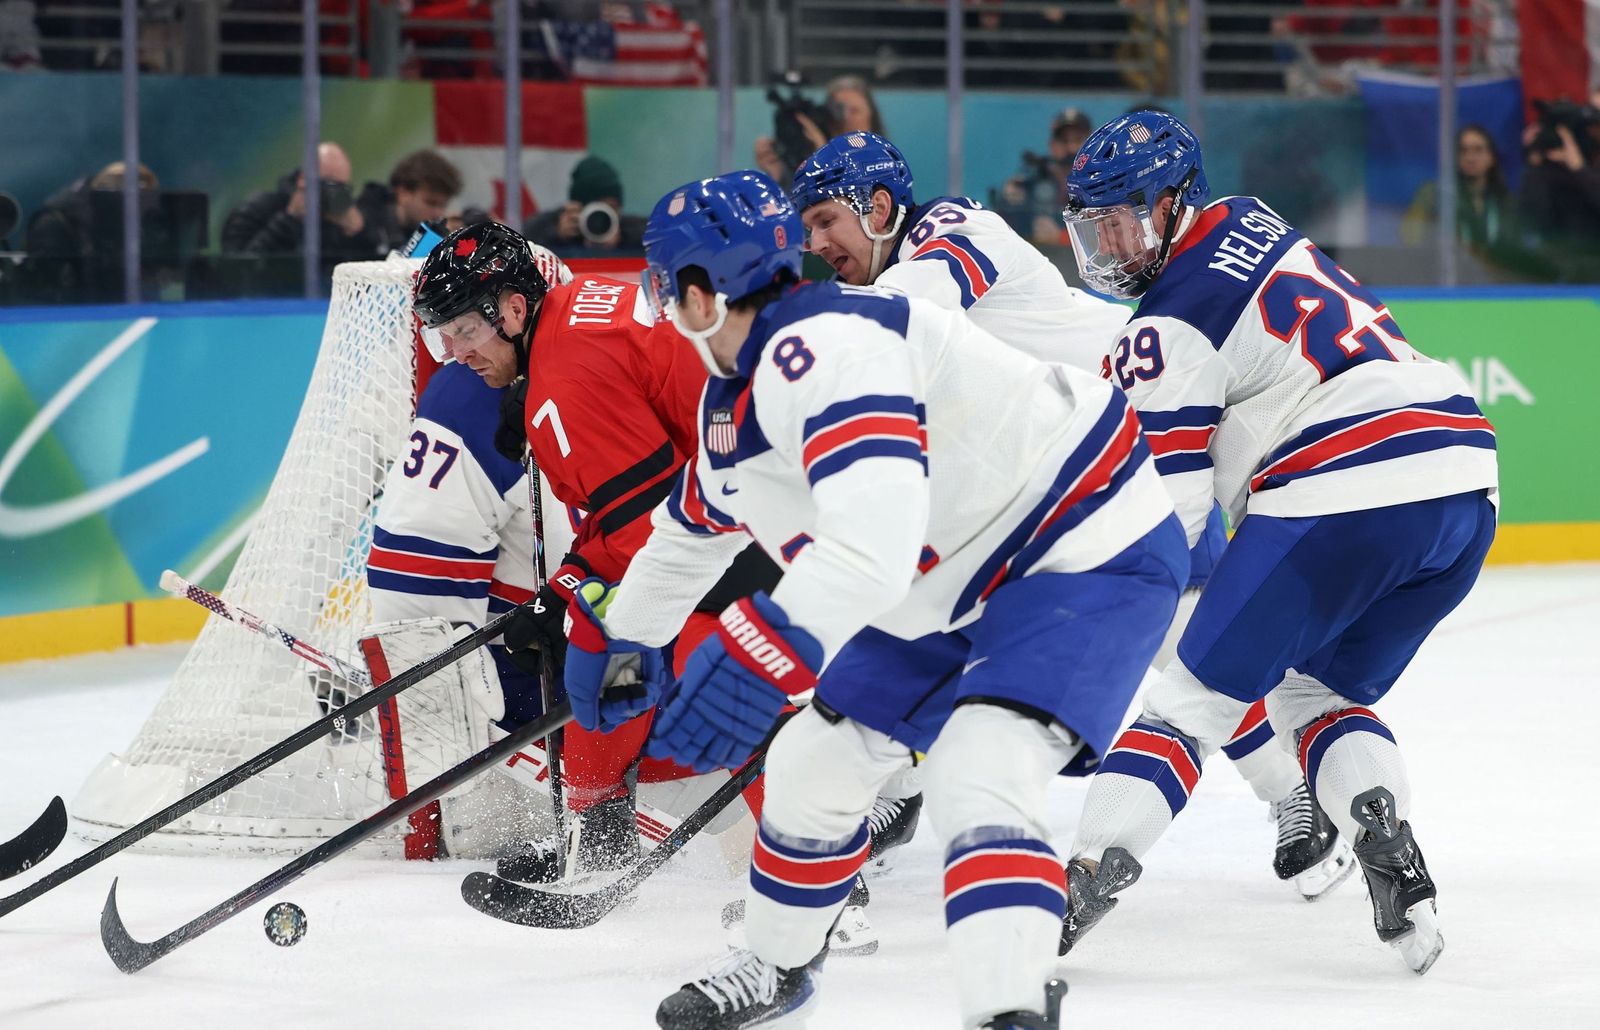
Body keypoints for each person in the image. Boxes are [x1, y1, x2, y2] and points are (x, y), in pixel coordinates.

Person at [564, 169, 1185, 1030]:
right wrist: (627, 637)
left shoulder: (831, 351)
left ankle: (1008, 1009)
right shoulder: (734, 394)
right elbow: (691, 530)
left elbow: (872, 541)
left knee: (982, 771)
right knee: (813, 764)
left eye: (665, 287)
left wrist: (765, 646)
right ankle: (777, 968)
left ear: (701, 296)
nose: (659, 305)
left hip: (1081, 540)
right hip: (952, 576)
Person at [793, 129, 1352, 900]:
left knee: (1186, 652)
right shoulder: (898, 279)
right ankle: (889, 796)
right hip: (1042, 482)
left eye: (826, 221)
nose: (814, 241)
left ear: (880, 206)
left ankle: (1294, 796)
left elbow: (902, 313)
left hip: (1143, 436)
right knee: (929, 633)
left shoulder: (957, 232)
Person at [1057, 110, 1499, 974]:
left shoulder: (1161, 330)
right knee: (1314, 700)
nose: (1111, 244)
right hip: (1465, 482)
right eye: (1096, 223)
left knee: (1186, 706)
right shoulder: (1251, 218)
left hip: (1342, 484)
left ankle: (1075, 886)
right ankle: (1387, 843)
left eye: (1127, 217)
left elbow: (1171, 532)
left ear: (1176, 202)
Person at [413, 220, 912, 950]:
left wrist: (584, 598)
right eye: (443, 337)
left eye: (462, 330)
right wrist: (573, 586)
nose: (455, 355)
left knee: (715, 675)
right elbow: (642, 508)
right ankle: (602, 843)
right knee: (594, 641)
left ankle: (823, 887)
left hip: (772, 519)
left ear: (513, 310)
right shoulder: (573, 321)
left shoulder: (564, 374)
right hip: (761, 500)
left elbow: (655, 530)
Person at [221, 141, 377, 267]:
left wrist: (358, 234)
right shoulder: (258, 208)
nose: (334, 195)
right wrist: (289, 219)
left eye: (342, 188)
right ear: (303, 179)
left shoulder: (337, 221)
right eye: (329, 185)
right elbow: (238, 268)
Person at [755, 74, 884, 188]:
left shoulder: (883, 164)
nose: (845, 117)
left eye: (854, 111)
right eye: (838, 109)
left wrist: (823, 158)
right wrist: (777, 178)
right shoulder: (806, 163)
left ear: (871, 116)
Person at [522, 154, 646, 254]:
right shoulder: (552, 225)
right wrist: (556, 234)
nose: (600, 217)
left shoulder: (631, 229)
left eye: (610, 208)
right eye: (594, 208)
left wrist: (623, 238)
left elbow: (657, 240)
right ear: (576, 208)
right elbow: (526, 242)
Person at [356, 149, 464, 256]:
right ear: (403, 193)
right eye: (431, 203)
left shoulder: (426, 231)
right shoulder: (361, 224)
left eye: (443, 205)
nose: (438, 213)